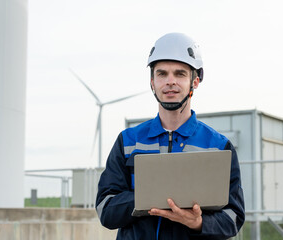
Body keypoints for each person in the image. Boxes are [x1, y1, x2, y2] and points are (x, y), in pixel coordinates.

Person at [96, 32, 245, 240]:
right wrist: (146, 198)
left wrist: (199, 223)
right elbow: (105, 210)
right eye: (162, 74)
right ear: (152, 82)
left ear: (195, 81)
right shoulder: (128, 142)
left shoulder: (219, 147)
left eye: (180, 73)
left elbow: (234, 217)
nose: (170, 81)